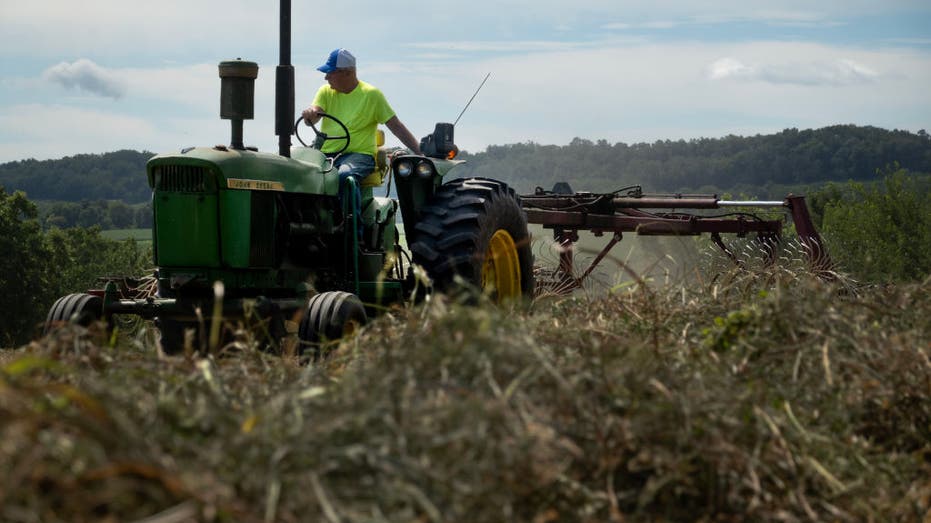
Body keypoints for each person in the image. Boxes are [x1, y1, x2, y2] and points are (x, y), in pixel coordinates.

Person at [301, 48, 421, 237]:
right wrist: (310, 114)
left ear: (347, 73)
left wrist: (419, 152)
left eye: (330, 73)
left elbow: (396, 126)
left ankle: (352, 235)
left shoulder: (372, 95)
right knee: (301, 175)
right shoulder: (325, 92)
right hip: (326, 155)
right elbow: (315, 113)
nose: (326, 78)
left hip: (359, 155)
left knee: (345, 177)